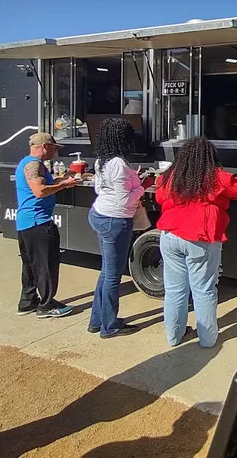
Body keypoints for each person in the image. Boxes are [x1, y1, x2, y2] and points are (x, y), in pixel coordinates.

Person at [155, 136, 237, 347]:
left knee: (175, 290)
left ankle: (173, 336)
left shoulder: (171, 176)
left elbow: (160, 197)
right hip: (201, 236)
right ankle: (207, 340)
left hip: (170, 236)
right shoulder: (215, 176)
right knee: (203, 289)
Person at [88, 118, 145, 338]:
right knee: (113, 275)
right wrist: (141, 186)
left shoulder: (102, 160)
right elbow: (124, 200)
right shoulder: (119, 164)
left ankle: (97, 320)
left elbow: (99, 188)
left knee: (106, 272)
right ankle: (109, 326)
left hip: (99, 214)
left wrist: (133, 179)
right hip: (115, 220)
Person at [14, 132, 76, 318]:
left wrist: (64, 179)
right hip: (38, 222)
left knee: (30, 265)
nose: (55, 151)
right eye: (54, 147)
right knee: (46, 264)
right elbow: (40, 190)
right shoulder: (34, 164)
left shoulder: (28, 163)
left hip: (26, 222)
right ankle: (46, 305)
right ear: (44, 146)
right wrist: (64, 185)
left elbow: (42, 184)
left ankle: (27, 301)